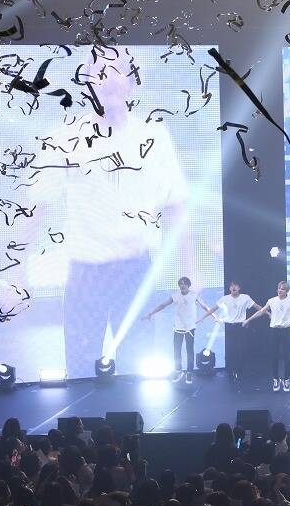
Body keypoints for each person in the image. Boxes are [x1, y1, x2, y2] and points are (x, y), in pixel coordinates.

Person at [24, 46, 194, 379]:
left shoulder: (153, 135)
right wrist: (18, 277)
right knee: (80, 371)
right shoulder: (66, 137)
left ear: (131, 81)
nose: (109, 80)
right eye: (100, 72)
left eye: (117, 71)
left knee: (139, 372)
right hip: (85, 274)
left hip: (135, 271)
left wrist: (190, 272)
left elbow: (176, 206)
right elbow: (36, 205)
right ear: (87, 80)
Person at [247, 281, 290, 393]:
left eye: (283, 289)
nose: (280, 290)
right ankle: (276, 379)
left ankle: (286, 379)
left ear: (287, 291)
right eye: (279, 288)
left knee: (287, 356)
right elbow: (261, 311)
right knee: (274, 356)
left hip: (286, 331)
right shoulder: (272, 301)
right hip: (274, 331)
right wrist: (249, 320)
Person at [141, 276, 212, 384]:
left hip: (190, 328)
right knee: (177, 350)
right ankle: (178, 371)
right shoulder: (175, 296)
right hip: (178, 327)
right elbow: (163, 305)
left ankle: (189, 372)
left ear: (188, 285)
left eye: (184, 284)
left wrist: (214, 316)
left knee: (189, 351)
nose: (182, 286)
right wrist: (150, 314)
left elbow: (205, 306)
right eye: (180, 284)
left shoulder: (194, 295)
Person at [197, 282, 260, 381]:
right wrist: (202, 317)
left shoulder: (245, 298)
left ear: (239, 288)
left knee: (241, 351)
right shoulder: (225, 298)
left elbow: (257, 307)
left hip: (241, 326)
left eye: (236, 286)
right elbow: (213, 309)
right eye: (232, 286)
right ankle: (230, 373)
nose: (234, 287)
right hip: (229, 327)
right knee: (230, 351)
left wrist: (268, 313)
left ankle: (239, 372)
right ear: (229, 288)